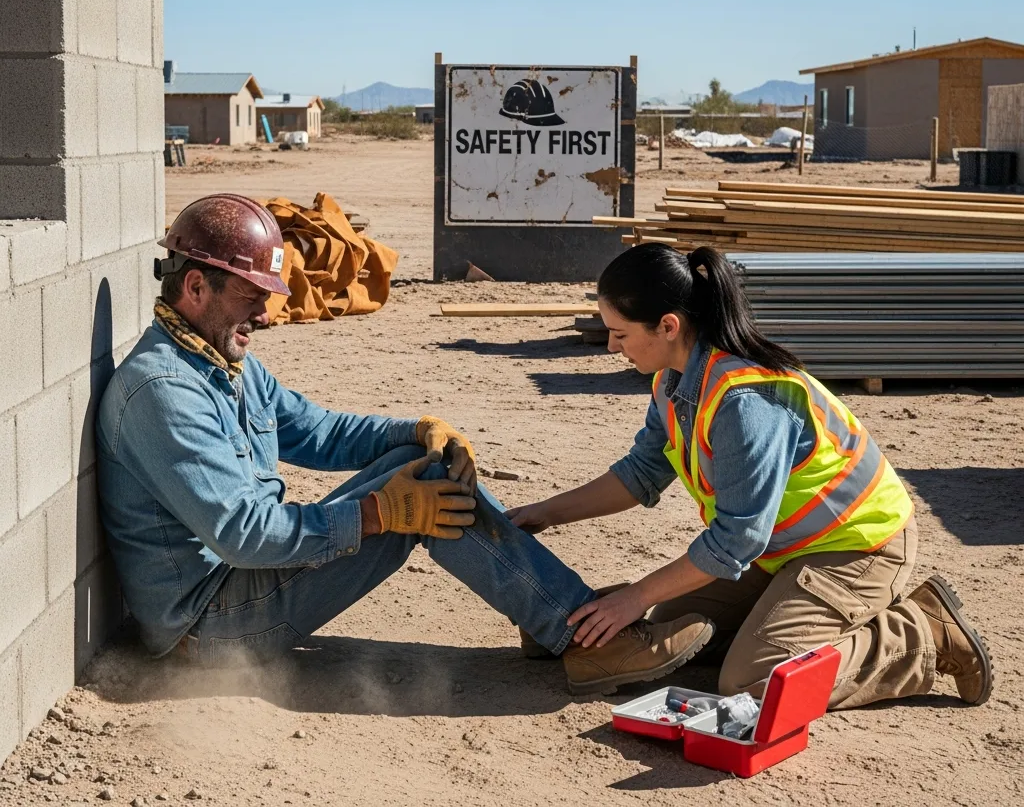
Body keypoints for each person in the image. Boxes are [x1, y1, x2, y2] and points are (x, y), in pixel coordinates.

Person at [96, 194, 712, 695]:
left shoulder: (220, 360)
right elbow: (244, 534)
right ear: (197, 286)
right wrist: (378, 512)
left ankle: (556, 618)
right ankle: (579, 637)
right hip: (209, 625)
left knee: (424, 464)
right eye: (251, 298)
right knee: (422, 491)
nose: (264, 316)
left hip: (238, 587)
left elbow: (314, 430)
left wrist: (415, 431)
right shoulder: (163, 393)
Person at [508, 243, 994, 708]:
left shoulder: (745, 401)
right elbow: (640, 475)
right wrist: (542, 513)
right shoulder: (672, 382)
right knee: (672, 628)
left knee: (755, 681)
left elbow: (735, 540)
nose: (612, 347)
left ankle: (921, 632)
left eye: (621, 334)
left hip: (858, 548)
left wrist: (632, 596)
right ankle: (784, 624)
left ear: (668, 325)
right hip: (779, 550)